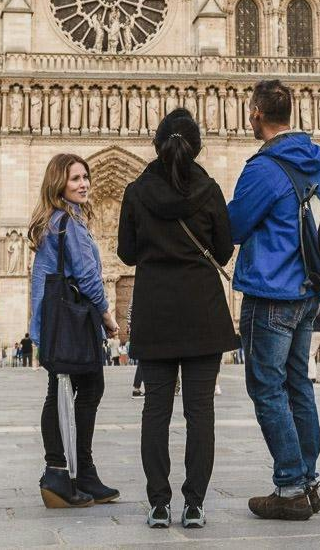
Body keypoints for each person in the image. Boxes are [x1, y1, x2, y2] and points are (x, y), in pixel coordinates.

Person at [228, 79, 320, 522]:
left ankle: (291, 486)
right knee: (298, 385)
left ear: (257, 113)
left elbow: (235, 226)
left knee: (266, 387)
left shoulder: (263, 168)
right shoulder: (316, 162)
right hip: (307, 291)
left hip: (271, 292)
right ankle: (308, 480)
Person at [116, 107, 238, 530]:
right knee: (200, 412)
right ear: (197, 148)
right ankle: (195, 504)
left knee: (156, 410)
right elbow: (223, 251)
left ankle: (158, 504)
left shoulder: (136, 192)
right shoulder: (210, 190)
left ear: (157, 145)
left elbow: (126, 253)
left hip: (156, 312)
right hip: (203, 312)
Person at [29, 152, 119, 510]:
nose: (84, 184)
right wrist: (107, 315)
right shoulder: (69, 223)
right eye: (75, 179)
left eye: (85, 177)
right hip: (74, 322)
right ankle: (64, 472)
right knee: (87, 388)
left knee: (61, 391)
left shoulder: (52, 222)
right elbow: (88, 277)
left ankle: (75, 473)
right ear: (59, 184)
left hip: (55, 321)